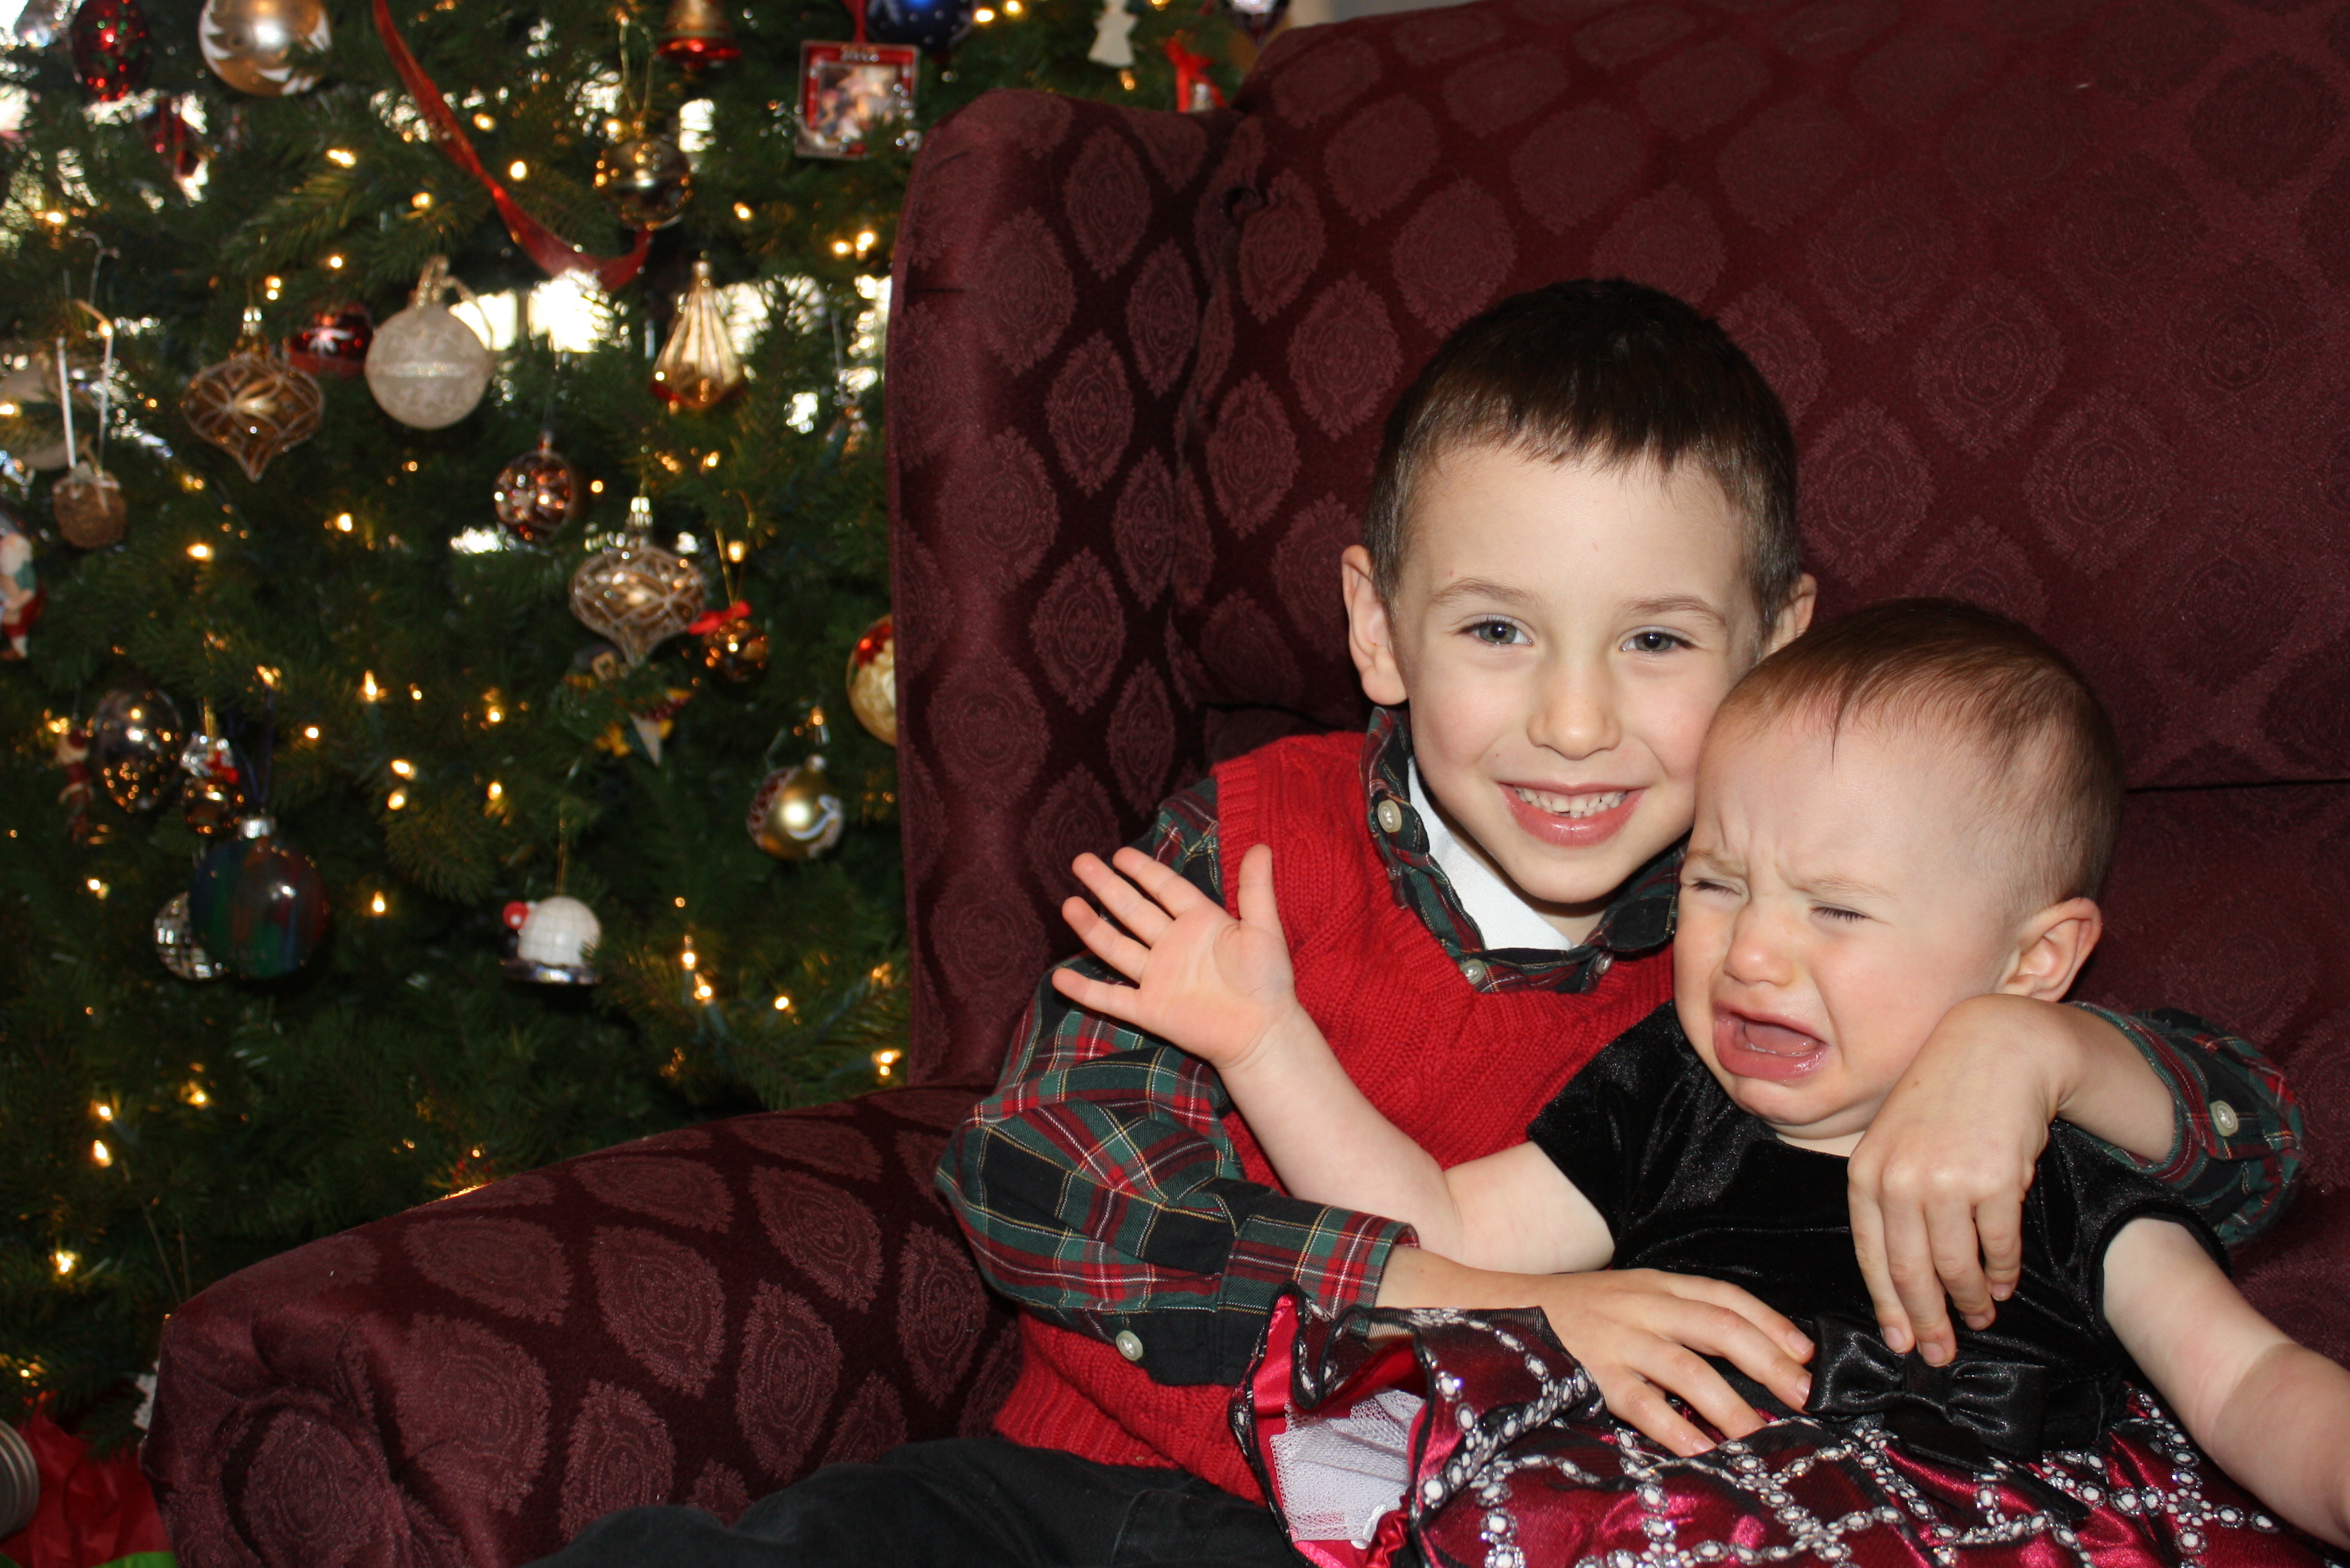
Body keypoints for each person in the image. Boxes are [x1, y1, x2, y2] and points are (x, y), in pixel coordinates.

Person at [526, 283, 2297, 1568]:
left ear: (1775, 646)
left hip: (1407, 1537)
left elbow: (2245, 1164)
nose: (1575, 724)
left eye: (1657, 641)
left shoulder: (1773, 966)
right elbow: (1049, 1186)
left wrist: (2029, 1049)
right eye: (1497, 631)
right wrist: (1503, 1305)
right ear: (1378, 629)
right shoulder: (1252, 839)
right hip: (1064, 1485)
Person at [1057, 600, 2350, 1560]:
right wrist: (1265, 1042)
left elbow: (2242, 1384)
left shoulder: (2061, 1171)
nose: (1753, 953)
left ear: (2034, 962)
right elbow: (1440, 1228)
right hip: (1653, 1526)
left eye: (1837, 910)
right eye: (1719, 885)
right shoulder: (1672, 1101)